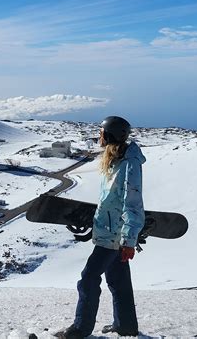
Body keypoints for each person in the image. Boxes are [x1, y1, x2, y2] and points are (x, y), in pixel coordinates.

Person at [57, 116, 146, 338]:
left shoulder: (128, 164)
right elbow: (112, 201)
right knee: (118, 280)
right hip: (109, 231)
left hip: (115, 235)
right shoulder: (117, 161)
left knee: (88, 278)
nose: (99, 136)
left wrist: (128, 239)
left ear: (109, 135)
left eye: (101, 133)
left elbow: (132, 202)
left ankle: (81, 328)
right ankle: (125, 326)